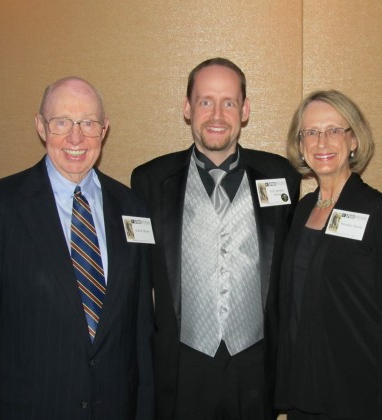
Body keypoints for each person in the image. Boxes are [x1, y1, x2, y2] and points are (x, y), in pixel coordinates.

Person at [0, 77, 155, 420]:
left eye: (88, 123)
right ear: (41, 126)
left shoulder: (132, 208)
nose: (76, 137)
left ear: (105, 129)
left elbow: (140, 331)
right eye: (62, 122)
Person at [131, 57, 301, 420]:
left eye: (229, 102)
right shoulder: (149, 181)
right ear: (187, 108)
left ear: (245, 110)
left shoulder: (280, 176)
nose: (217, 114)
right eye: (206, 101)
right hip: (182, 364)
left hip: (255, 363)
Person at [275, 90, 382, 419]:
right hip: (303, 389)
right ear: (301, 144)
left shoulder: (380, 212)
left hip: (355, 394)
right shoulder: (301, 210)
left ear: (353, 140)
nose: (322, 142)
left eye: (335, 130)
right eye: (311, 132)